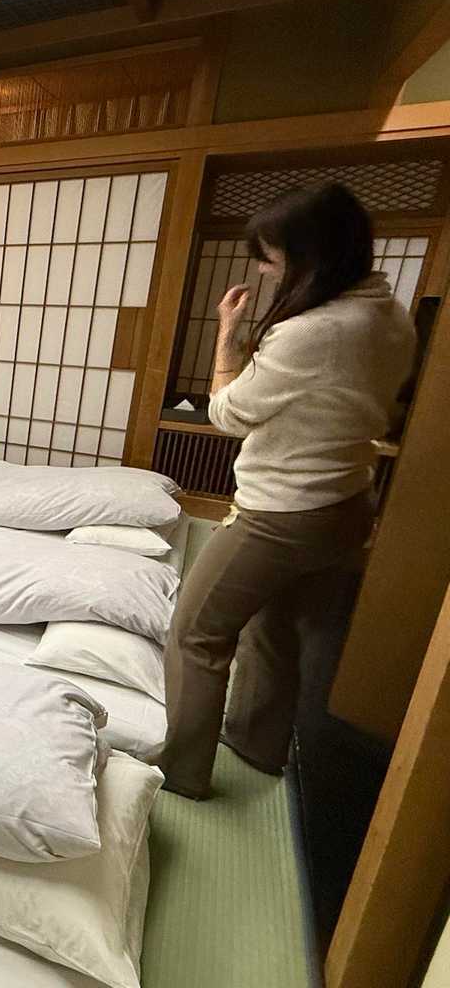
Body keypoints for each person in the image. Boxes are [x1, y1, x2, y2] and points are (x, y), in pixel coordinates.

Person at [158, 182, 416, 800]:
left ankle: (182, 774)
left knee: (195, 633)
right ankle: (257, 743)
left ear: (313, 255)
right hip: (347, 505)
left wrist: (227, 336)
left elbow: (227, 414)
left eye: (271, 258)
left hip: (282, 514)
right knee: (270, 628)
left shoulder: (315, 331)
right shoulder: (391, 316)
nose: (264, 271)